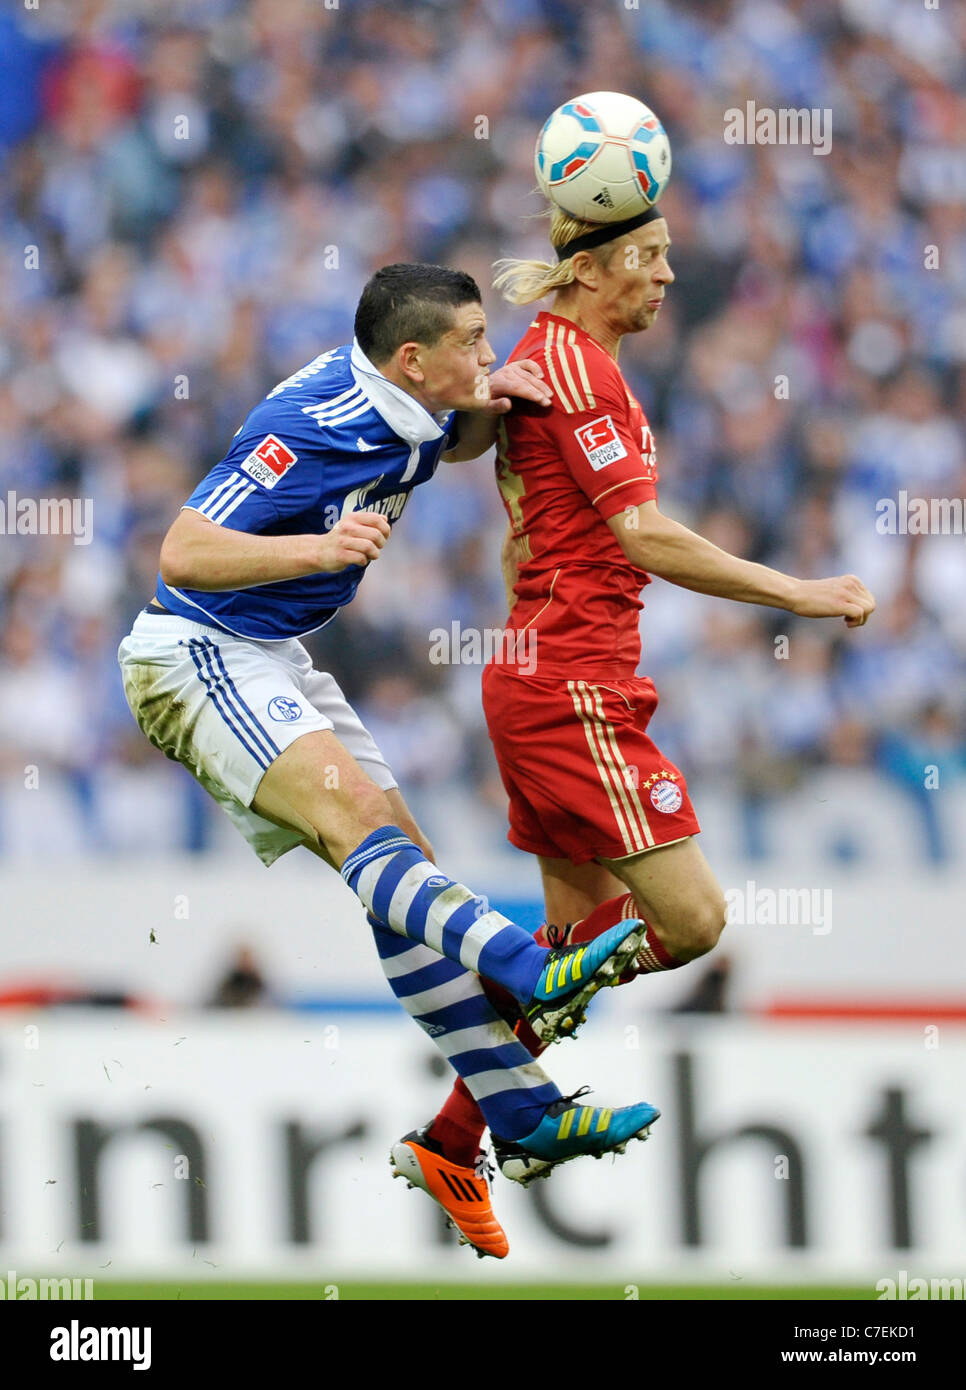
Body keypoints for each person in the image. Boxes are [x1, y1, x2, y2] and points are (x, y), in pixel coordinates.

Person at [117, 262, 662, 1262]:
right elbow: (184, 553)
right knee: (364, 825)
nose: (488, 353)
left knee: (400, 870)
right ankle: (527, 968)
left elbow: (439, 436)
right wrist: (316, 553)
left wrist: (488, 402)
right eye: (472, 343)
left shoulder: (412, 398)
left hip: (269, 654)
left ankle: (514, 1117)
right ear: (413, 358)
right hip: (194, 650)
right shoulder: (314, 422)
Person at [395, 206, 876, 1240]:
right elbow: (645, 532)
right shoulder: (574, 366)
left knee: (582, 942)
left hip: (552, 677)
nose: (665, 278)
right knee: (693, 920)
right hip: (572, 686)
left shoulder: (556, 359)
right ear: (591, 269)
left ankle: (456, 1133)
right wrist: (802, 593)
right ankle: (486, 1002)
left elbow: (510, 494)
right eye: (646, 260)